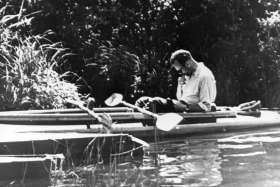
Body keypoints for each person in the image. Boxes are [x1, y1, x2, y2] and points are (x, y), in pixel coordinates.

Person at [136, 49, 217, 112]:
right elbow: (181, 98)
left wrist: (185, 107)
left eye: (180, 70)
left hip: (188, 111)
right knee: (142, 101)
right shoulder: (188, 74)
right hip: (180, 106)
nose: (181, 73)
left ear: (188, 64)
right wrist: (180, 85)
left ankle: (149, 129)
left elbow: (207, 106)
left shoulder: (204, 76)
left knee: (155, 102)